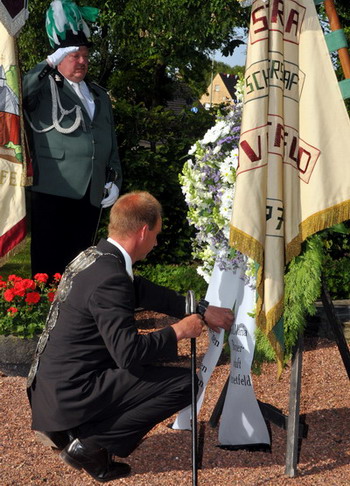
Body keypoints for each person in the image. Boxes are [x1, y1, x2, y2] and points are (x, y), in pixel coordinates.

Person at [27, 191, 234, 483]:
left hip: (53, 388)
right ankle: (91, 444)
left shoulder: (97, 257)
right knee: (186, 383)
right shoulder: (111, 278)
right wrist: (178, 330)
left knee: (148, 372)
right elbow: (129, 353)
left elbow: (143, 291)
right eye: (156, 234)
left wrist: (201, 308)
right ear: (143, 231)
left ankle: (81, 435)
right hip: (69, 395)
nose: (156, 242)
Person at [23, 0, 121, 277]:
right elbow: (18, 96)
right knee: (48, 263)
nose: (82, 62)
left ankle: (76, 315)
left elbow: (108, 141)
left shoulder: (98, 94)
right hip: (55, 187)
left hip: (91, 190)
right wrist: (49, 62)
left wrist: (113, 178)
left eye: (85, 56)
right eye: (74, 56)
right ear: (60, 57)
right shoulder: (44, 87)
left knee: (81, 264)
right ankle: (42, 311)